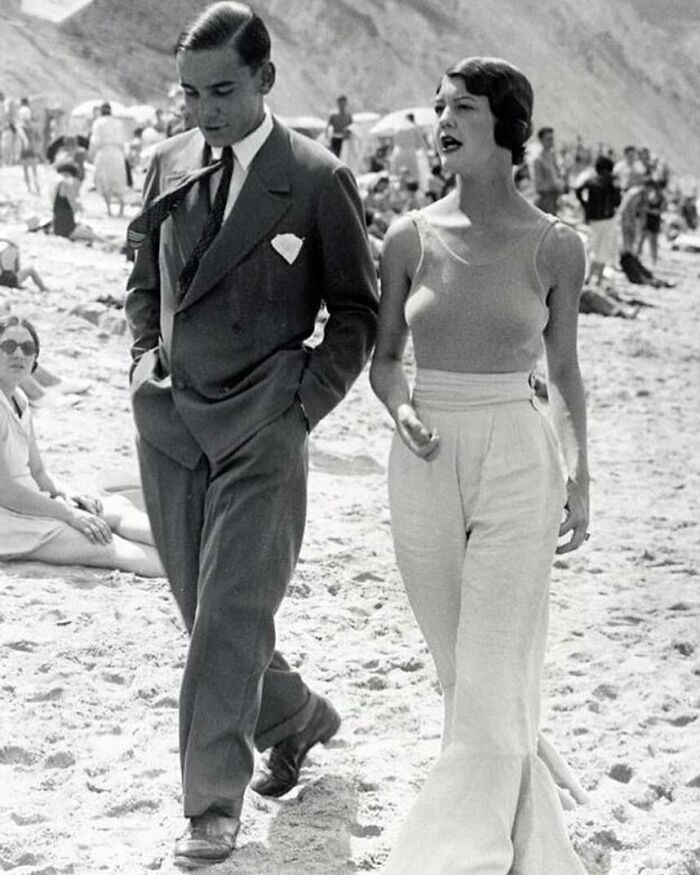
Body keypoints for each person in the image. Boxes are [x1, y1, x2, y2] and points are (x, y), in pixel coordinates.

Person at [124, 2, 378, 867]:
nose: (204, 111)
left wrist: (301, 405)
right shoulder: (165, 160)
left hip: (263, 426)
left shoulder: (316, 177)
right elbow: (141, 277)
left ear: (266, 80)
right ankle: (298, 715)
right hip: (170, 422)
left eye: (222, 91)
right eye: (190, 93)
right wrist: (140, 359)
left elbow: (356, 313)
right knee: (206, 616)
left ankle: (211, 804)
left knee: (232, 613)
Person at [370, 57, 590, 873]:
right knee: (461, 667)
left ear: (508, 126)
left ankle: (455, 853)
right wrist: (400, 407)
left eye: (461, 105)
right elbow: (386, 360)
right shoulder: (408, 237)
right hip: (425, 450)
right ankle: (525, 788)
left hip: (518, 450)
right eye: (437, 106)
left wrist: (581, 476)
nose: (441, 119)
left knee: (495, 661)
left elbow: (564, 374)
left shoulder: (556, 246)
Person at [0, 315, 163, 577]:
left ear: (35, 360)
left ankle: (193, 547)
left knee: (115, 507)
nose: (19, 354)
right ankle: (204, 570)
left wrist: (69, 495)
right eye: (8, 346)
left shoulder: (18, 398)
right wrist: (68, 514)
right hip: (8, 520)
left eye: (27, 348)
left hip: (31, 501)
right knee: (107, 544)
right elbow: (6, 491)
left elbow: (38, 471)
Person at [575, 154, 622, 285]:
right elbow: (618, 201)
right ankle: (598, 279)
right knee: (603, 249)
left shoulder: (591, 181)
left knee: (592, 247)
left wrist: (585, 205)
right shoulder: (612, 182)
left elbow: (578, 190)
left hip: (593, 219)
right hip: (607, 219)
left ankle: (588, 276)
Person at [89, 102, 128, 216]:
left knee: (105, 180)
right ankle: (121, 207)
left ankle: (109, 208)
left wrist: (91, 153)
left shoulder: (98, 123)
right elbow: (123, 140)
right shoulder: (118, 123)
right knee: (118, 180)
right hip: (117, 153)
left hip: (104, 152)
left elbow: (95, 141)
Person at [48, 161, 99, 242]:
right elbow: (74, 207)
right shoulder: (65, 184)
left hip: (57, 224)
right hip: (67, 227)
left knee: (89, 231)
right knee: (98, 237)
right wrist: (80, 205)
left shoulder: (55, 183)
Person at [530, 125, 565, 214]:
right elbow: (538, 186)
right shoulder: (538, 160)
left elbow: (558, 176)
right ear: (541, 140)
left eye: (552, 138)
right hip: (545, 202)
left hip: (555, 199)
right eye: (548, 139)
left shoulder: (553, 156)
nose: (551, 141)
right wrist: (555, 185)